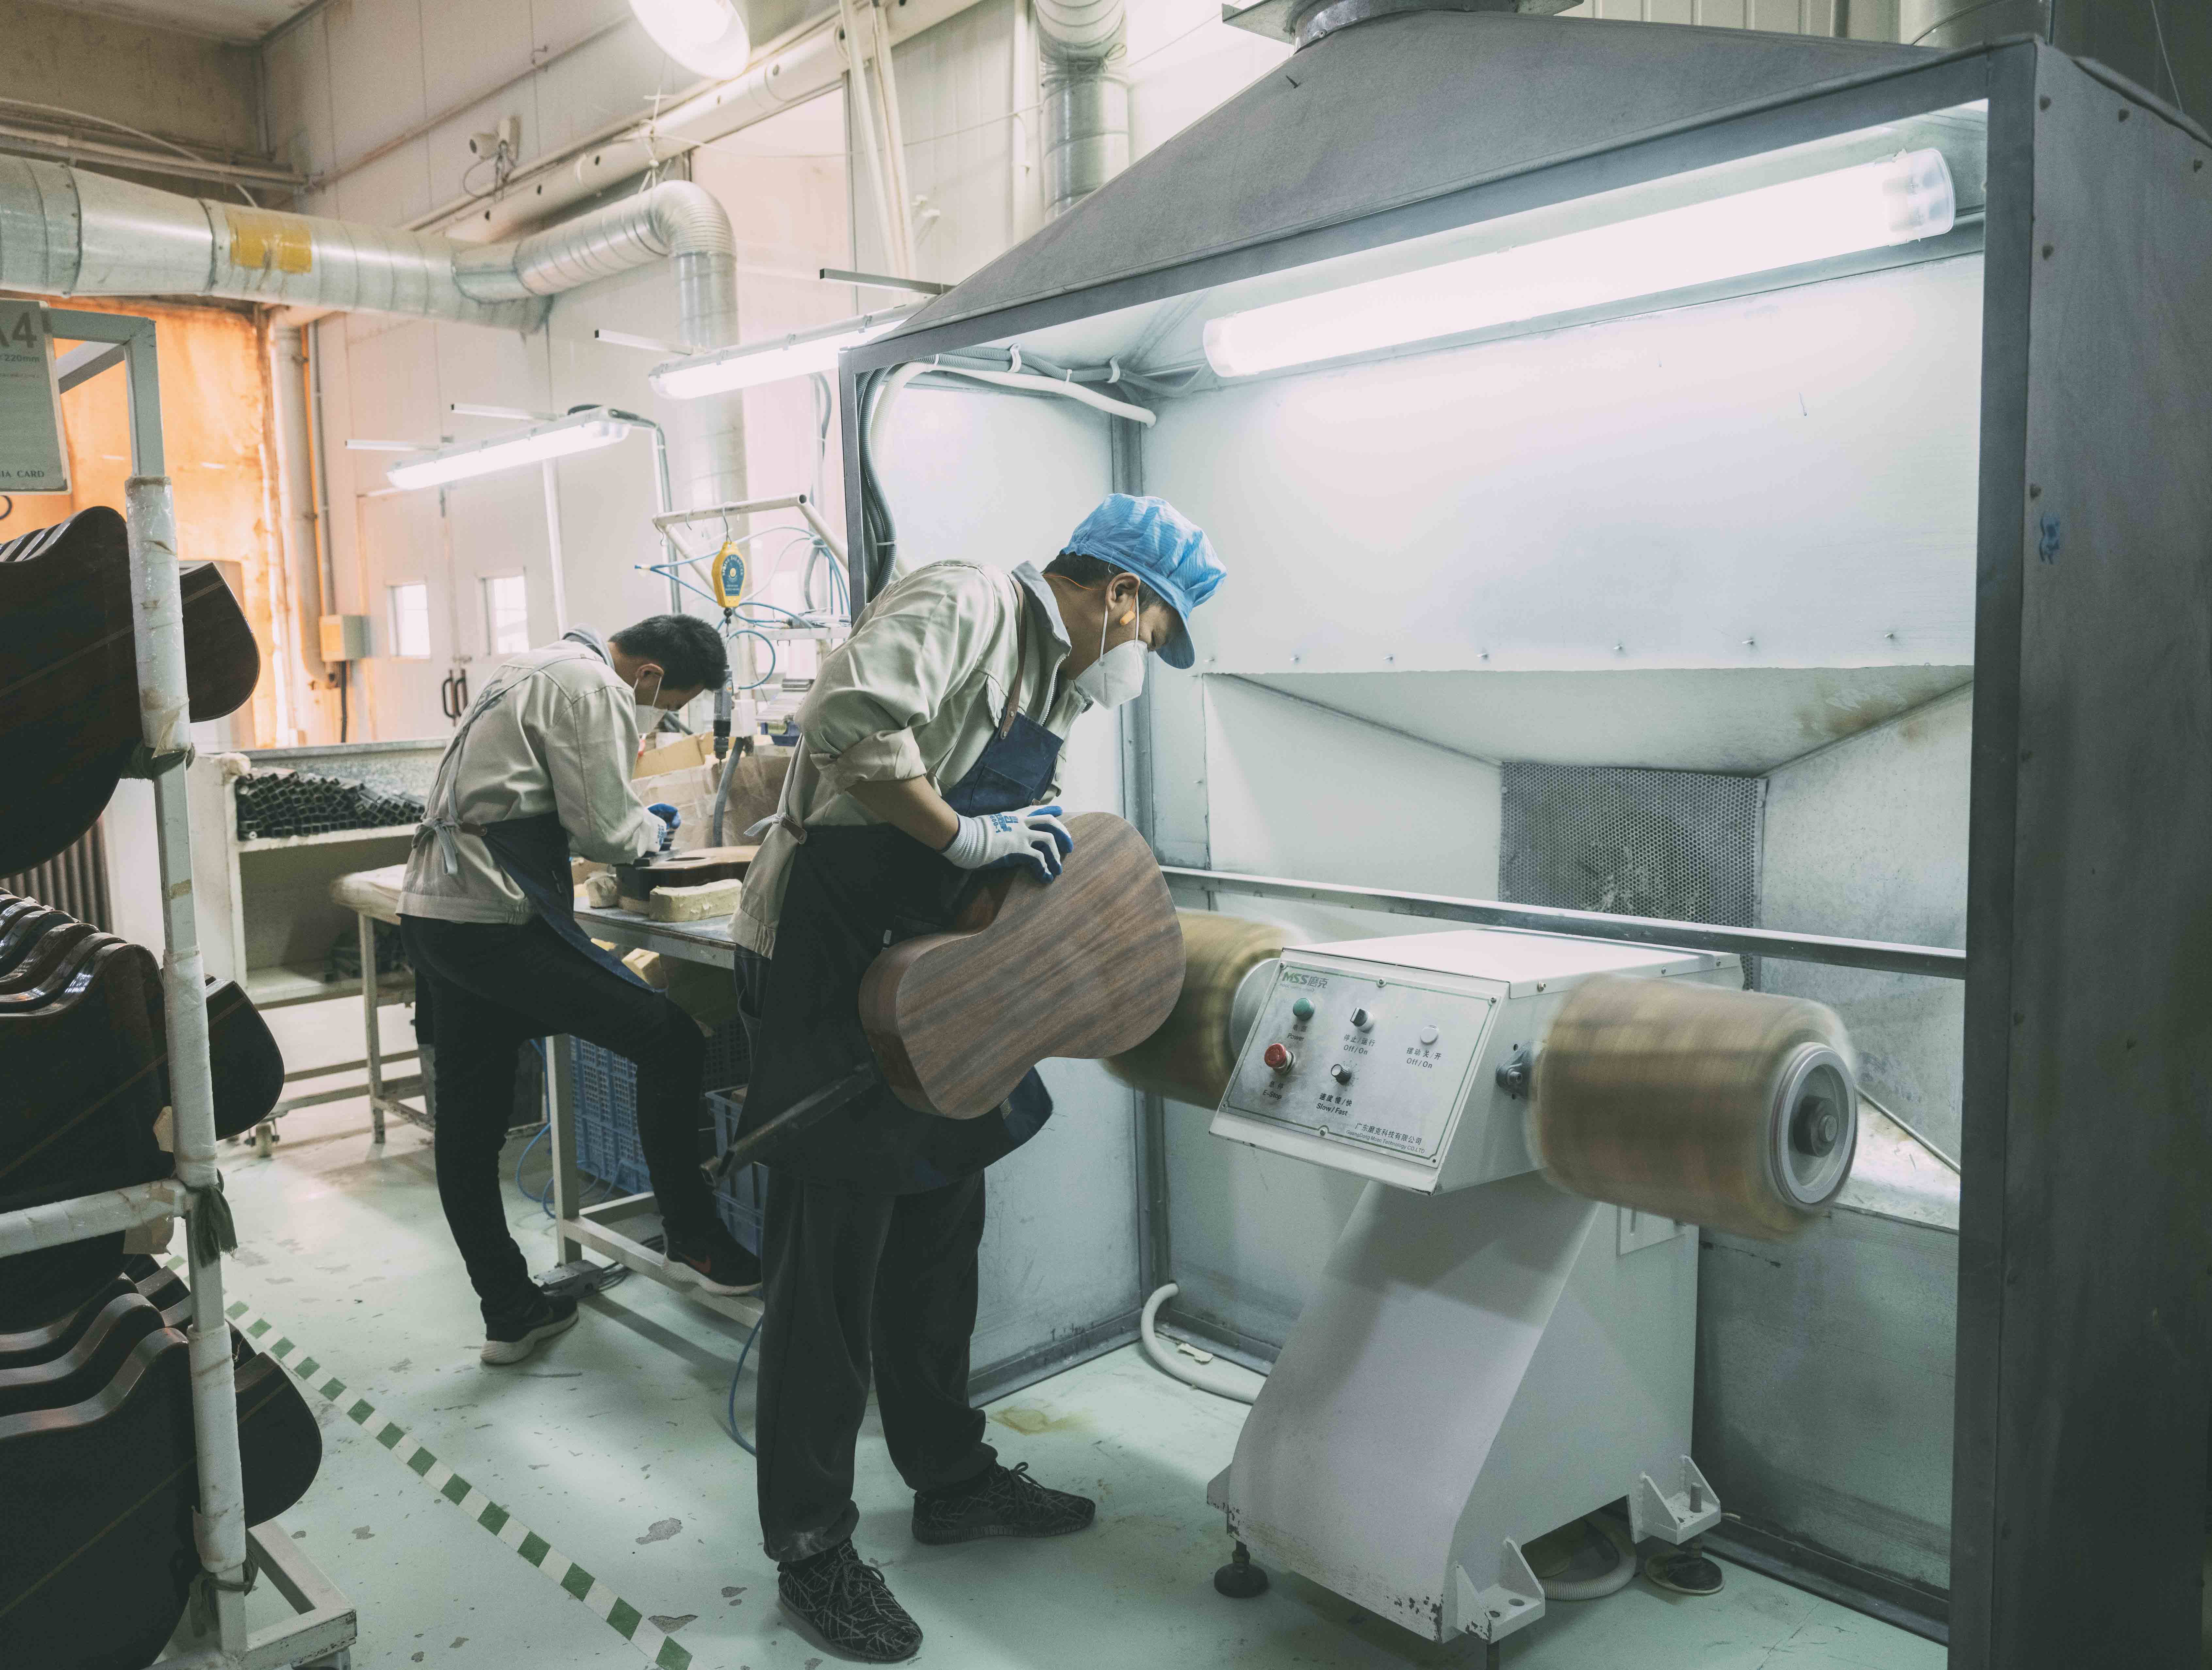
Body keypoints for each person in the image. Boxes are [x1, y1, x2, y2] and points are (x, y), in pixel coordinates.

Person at [728, 495, 1227, 1662]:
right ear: (1118, 595)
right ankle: (811, 1544)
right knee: (830, 1267)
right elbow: (847, 717)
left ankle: (949, 1477)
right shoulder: (968, 602)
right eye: (1155, 629)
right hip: (833, 957)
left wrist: (1024, 885)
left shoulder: (1050, 687)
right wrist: (962, 837)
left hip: (947, 980)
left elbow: (999, 826)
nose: (1145, 654)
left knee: (943, 1235)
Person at [399, 615, 762, 1367]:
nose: (658, 721)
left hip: (438, 913)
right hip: (492, 919)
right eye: (667, 707)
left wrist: (622, 823)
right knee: (670, 1039)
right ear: (652, 677)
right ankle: (698, 1240)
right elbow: (607, 830)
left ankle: (511, 1311)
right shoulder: (594, 685)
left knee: (468, 1129)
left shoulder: (533, 665)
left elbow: (524, 799)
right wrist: (650, 832)